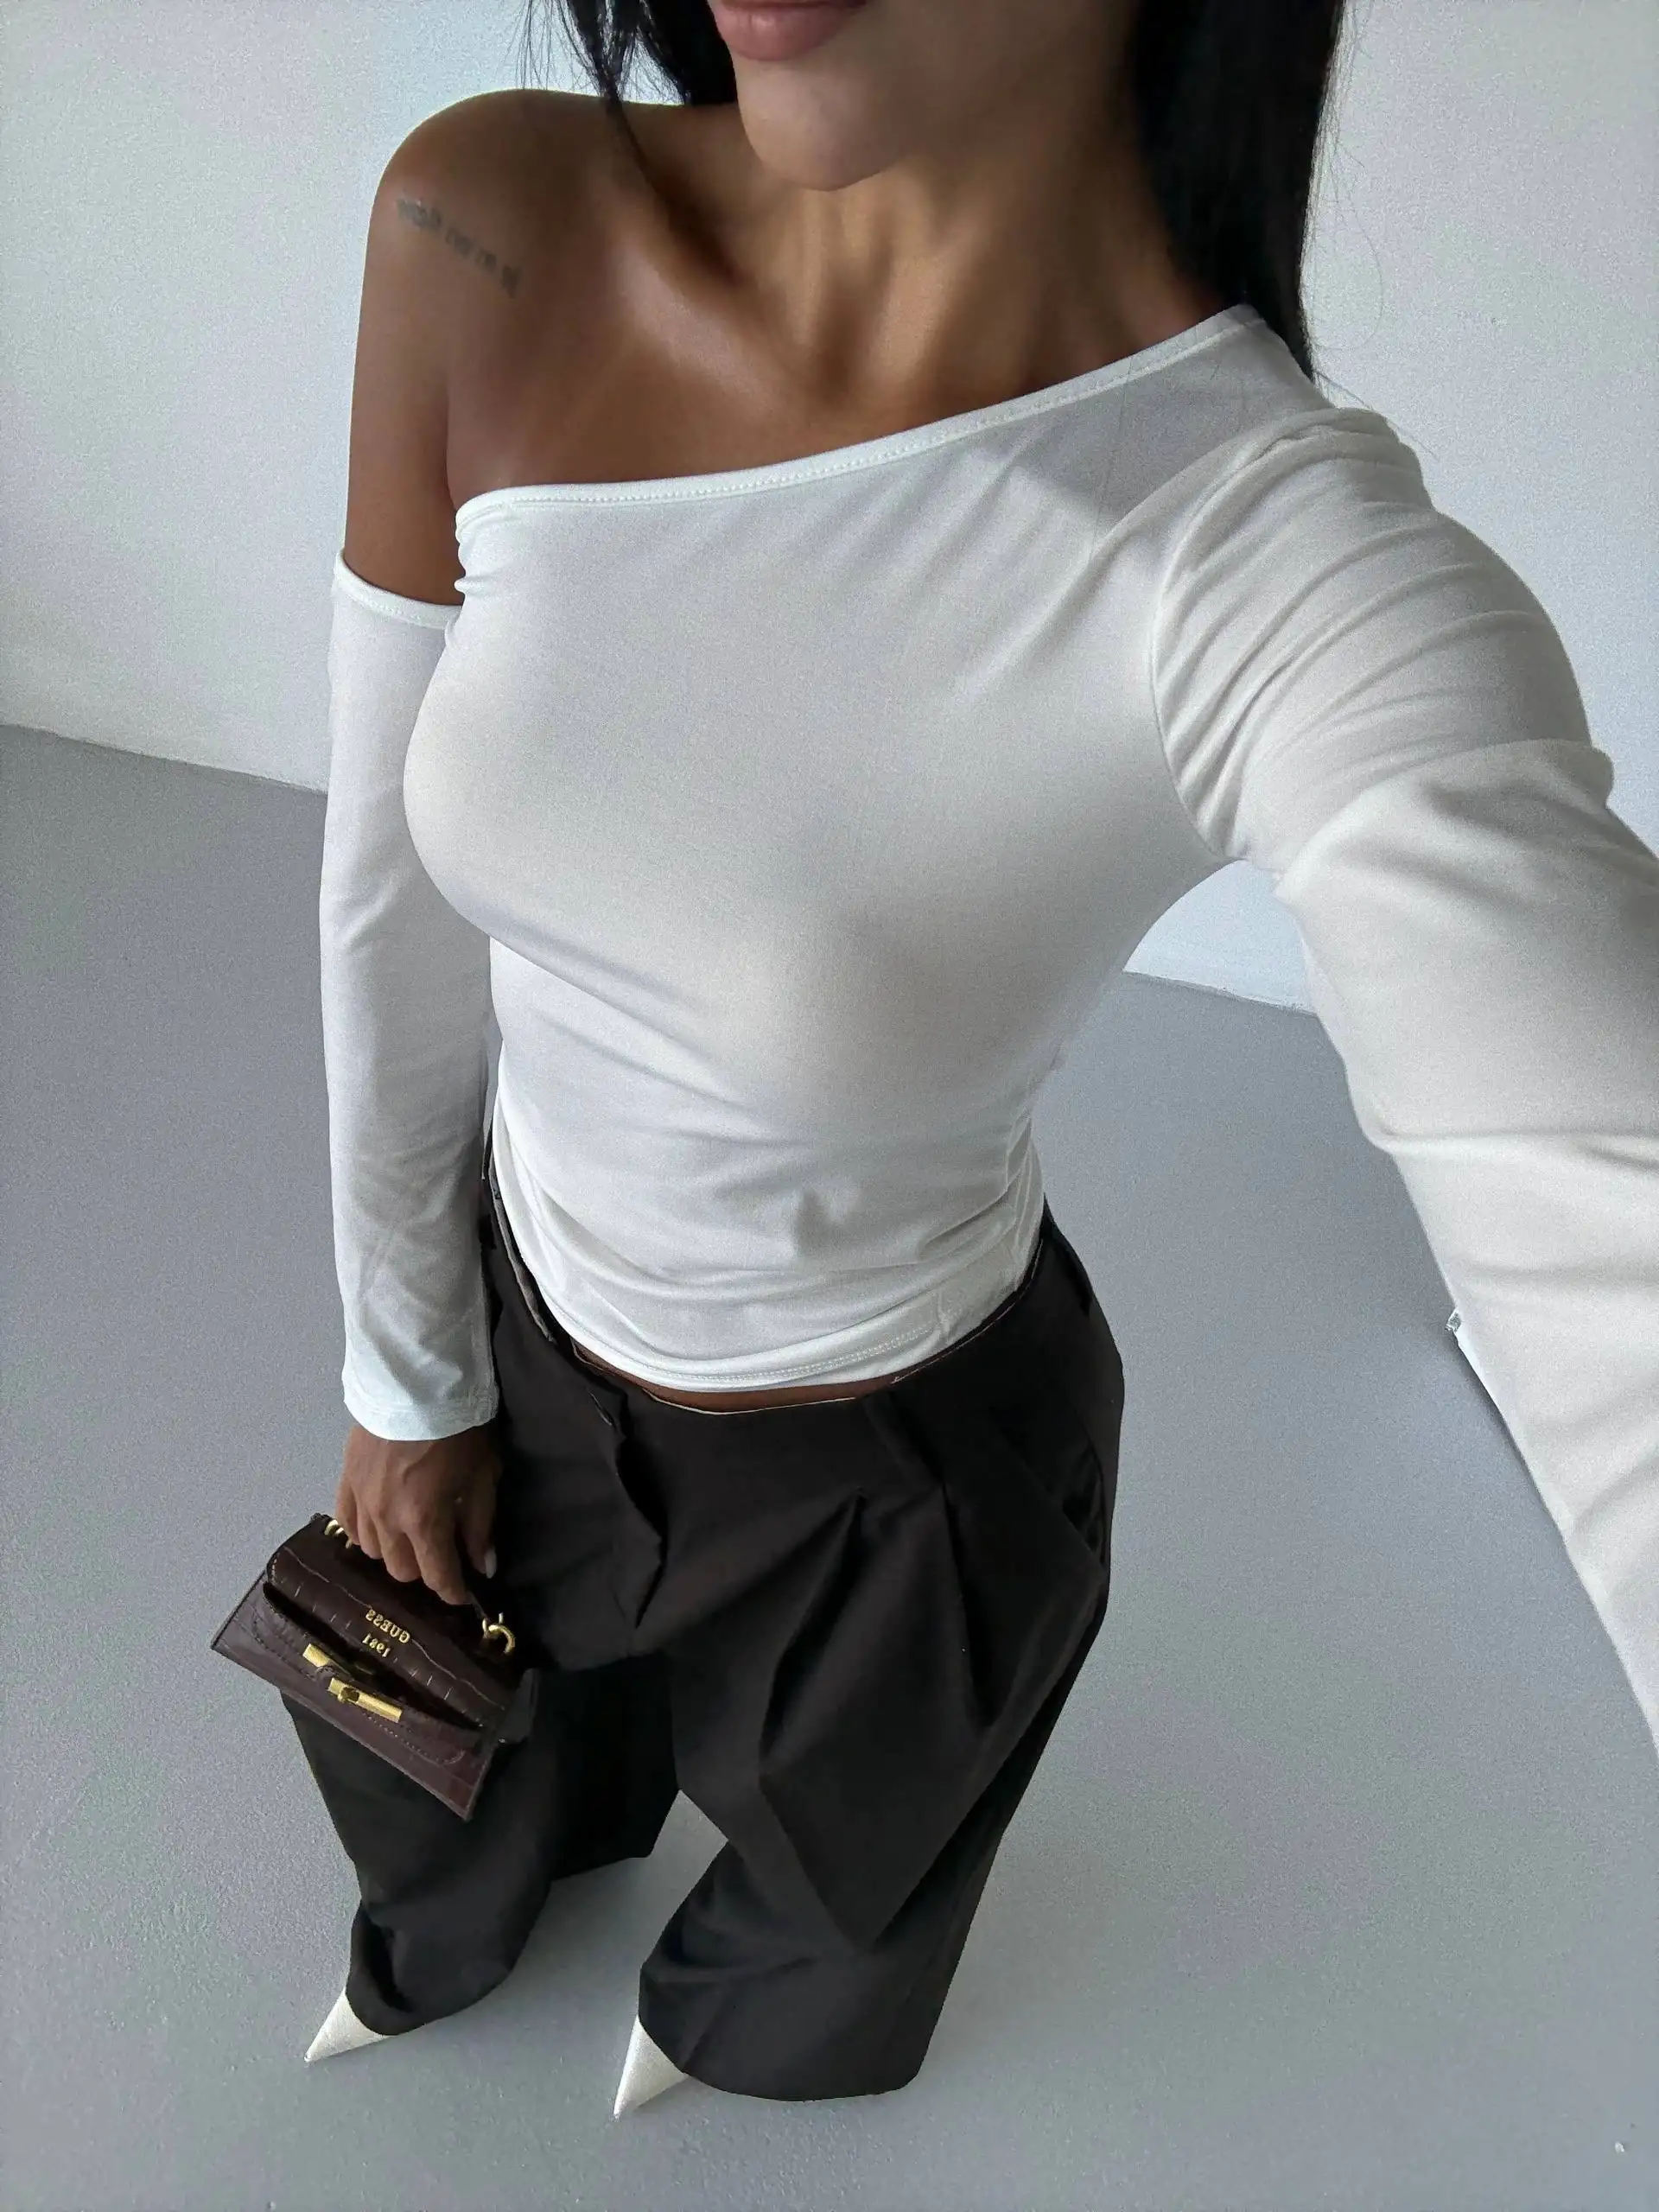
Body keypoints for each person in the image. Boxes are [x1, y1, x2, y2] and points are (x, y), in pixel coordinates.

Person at [287, 0, 1659, 2115]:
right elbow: (387, 883)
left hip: (897, 1474)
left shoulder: (1269, 568)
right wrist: (409, 1365)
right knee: (420, 1744)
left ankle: (727, 2034)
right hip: (523, 1320)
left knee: (837, 1890)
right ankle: (454, 1935)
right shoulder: (485, 223)